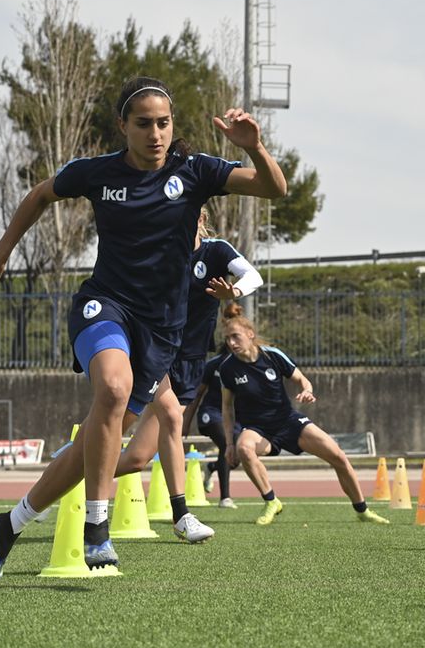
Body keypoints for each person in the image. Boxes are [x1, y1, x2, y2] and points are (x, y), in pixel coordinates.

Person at [0, 76, 286, 581]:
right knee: (113, 389)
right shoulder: (98, 173)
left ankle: (9, 524)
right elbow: (39, 195)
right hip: (105, 305)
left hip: (160, 331)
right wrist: (0, 254)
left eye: (164, 123)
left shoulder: (196, 171)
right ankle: (98, 526)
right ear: (123, 126)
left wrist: (255, 148)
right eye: (143, 124)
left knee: (109, 442)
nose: (156, 133)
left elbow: (275, 189)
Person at [103, 209, 262, 507]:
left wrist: (235, 290)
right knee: (119, 426)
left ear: (201, 219)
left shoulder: (217, 251)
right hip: (156, 355)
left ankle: (66, 475)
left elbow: (253, 275)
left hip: (190, 362)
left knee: (137, 458)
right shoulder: (161, 253)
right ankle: (181, 513)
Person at [217, 304, 390, 525]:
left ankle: (362, 510)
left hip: (288, 421)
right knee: (244, 447)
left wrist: (307, 390)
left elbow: (302, 380)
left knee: (338, 457)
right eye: (228, 339)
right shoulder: (227, 368)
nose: (231, 343)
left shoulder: (272, 356)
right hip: (257, 429)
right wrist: (230, 444)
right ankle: (271, 500)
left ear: (250, 335)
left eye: (236, 337)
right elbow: (226, 408)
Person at [183, 345, 243, 508]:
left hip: (233, 418)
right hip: (211, 414)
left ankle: (211, 467)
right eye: (231, 337)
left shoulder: (249, 366)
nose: (234, 342)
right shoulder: (214, 364)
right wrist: (185, 422)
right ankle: (225, 498)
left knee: (238, 454)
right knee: (226, 443)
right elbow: (197, 395)